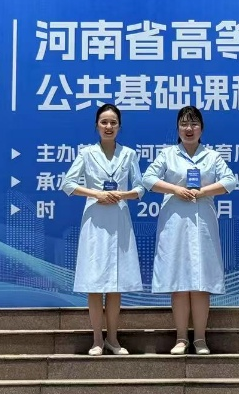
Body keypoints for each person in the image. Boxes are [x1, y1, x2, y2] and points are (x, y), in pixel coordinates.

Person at [142, 106, 237, 355]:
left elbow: (230, 181)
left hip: (203, 223)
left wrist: (203, 191)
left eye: (194, 124)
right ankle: (181, 338)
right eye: (184, 124)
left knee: (201, 282)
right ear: (177, 128)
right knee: (179, 281)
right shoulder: (168, 154)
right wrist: (175, 189)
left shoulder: (212, 156)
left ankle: (201, 339)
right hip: (175, 223)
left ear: (201, 129)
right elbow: (148, 179)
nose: (189, 129)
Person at [61, 103, 145, 356]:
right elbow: (67, 184)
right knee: (95, 282)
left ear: (120, 126)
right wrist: (95, 193)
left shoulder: (128, 154)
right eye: (104, 122)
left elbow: (140, 188)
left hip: (119, 219)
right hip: (95, 220)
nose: (109, 126)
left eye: (113, 122)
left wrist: (123, 194)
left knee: (115, 284)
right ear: (96, 125)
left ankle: (113, 339)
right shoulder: (86, 153)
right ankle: (97, 340)